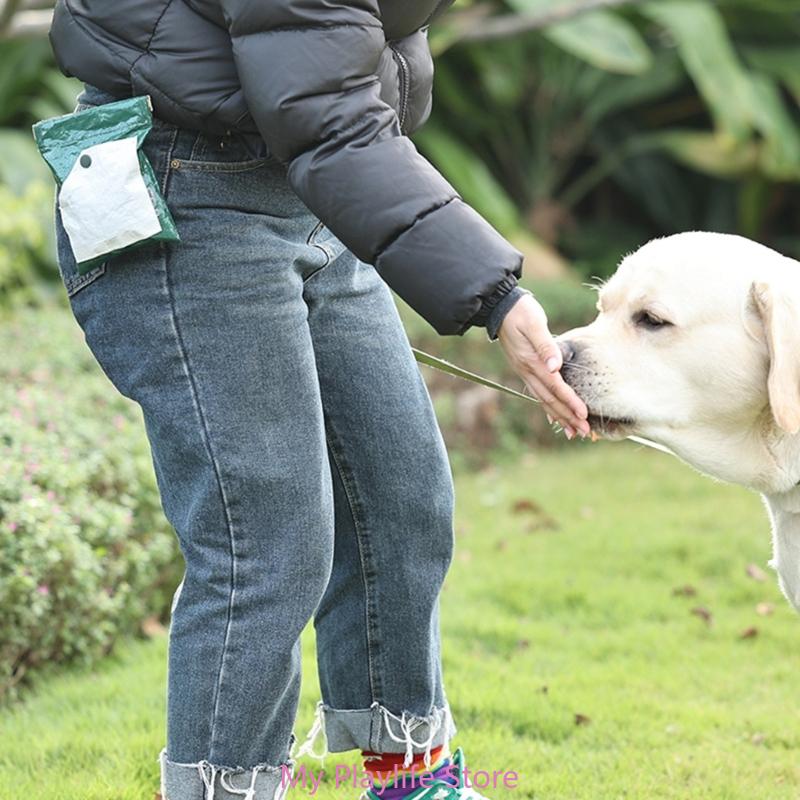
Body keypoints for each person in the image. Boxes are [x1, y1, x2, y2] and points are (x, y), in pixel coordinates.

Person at [47, 1, 590, 799]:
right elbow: (327, 116)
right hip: (184, 186)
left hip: (303, 185)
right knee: (266, 546)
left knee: (399, 501)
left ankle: (412, 777)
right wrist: (498, 296)